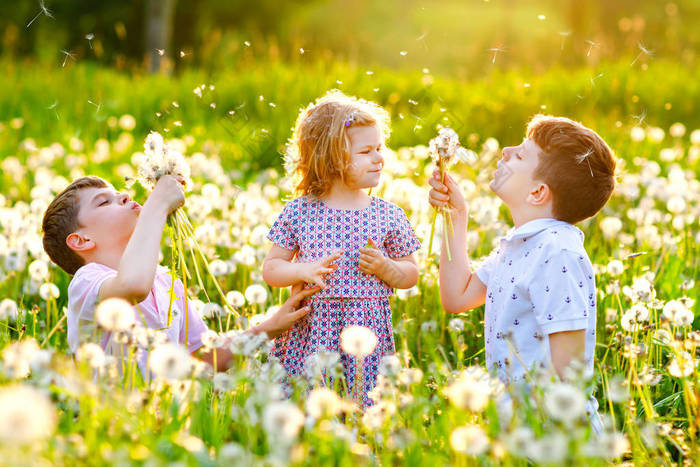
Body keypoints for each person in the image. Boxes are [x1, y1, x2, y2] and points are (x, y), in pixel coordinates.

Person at [428, 115, 616, 429]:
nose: (504, 151)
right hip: (518, 432)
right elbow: (457, 296)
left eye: (520, 154)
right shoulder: (518, 245)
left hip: (555, 438)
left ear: (537, 193)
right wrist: (455, 215)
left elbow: (568, 369)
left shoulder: (558, 252)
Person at [41, 174, 316, 376]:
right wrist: (157, 204)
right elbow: (133, 285)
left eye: (118, 193)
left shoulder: (166, 283)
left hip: (169, 427)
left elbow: (206, 358)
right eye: (104, 203)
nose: (125, 196)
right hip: (112, 430)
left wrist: (271, 326)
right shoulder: (87, 282)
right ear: (81, 241)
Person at [262, 91, 421, 406]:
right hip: (313, 328)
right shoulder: (299, 211)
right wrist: (301, 269)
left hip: (366, 331)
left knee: (365, 406)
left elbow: (411, 272)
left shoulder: (388, 214)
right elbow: (271, 269)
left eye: (380, 148)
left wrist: (387, 269)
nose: (379, 157)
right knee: (310, 405)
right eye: (366, 151)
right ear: (332, 158)